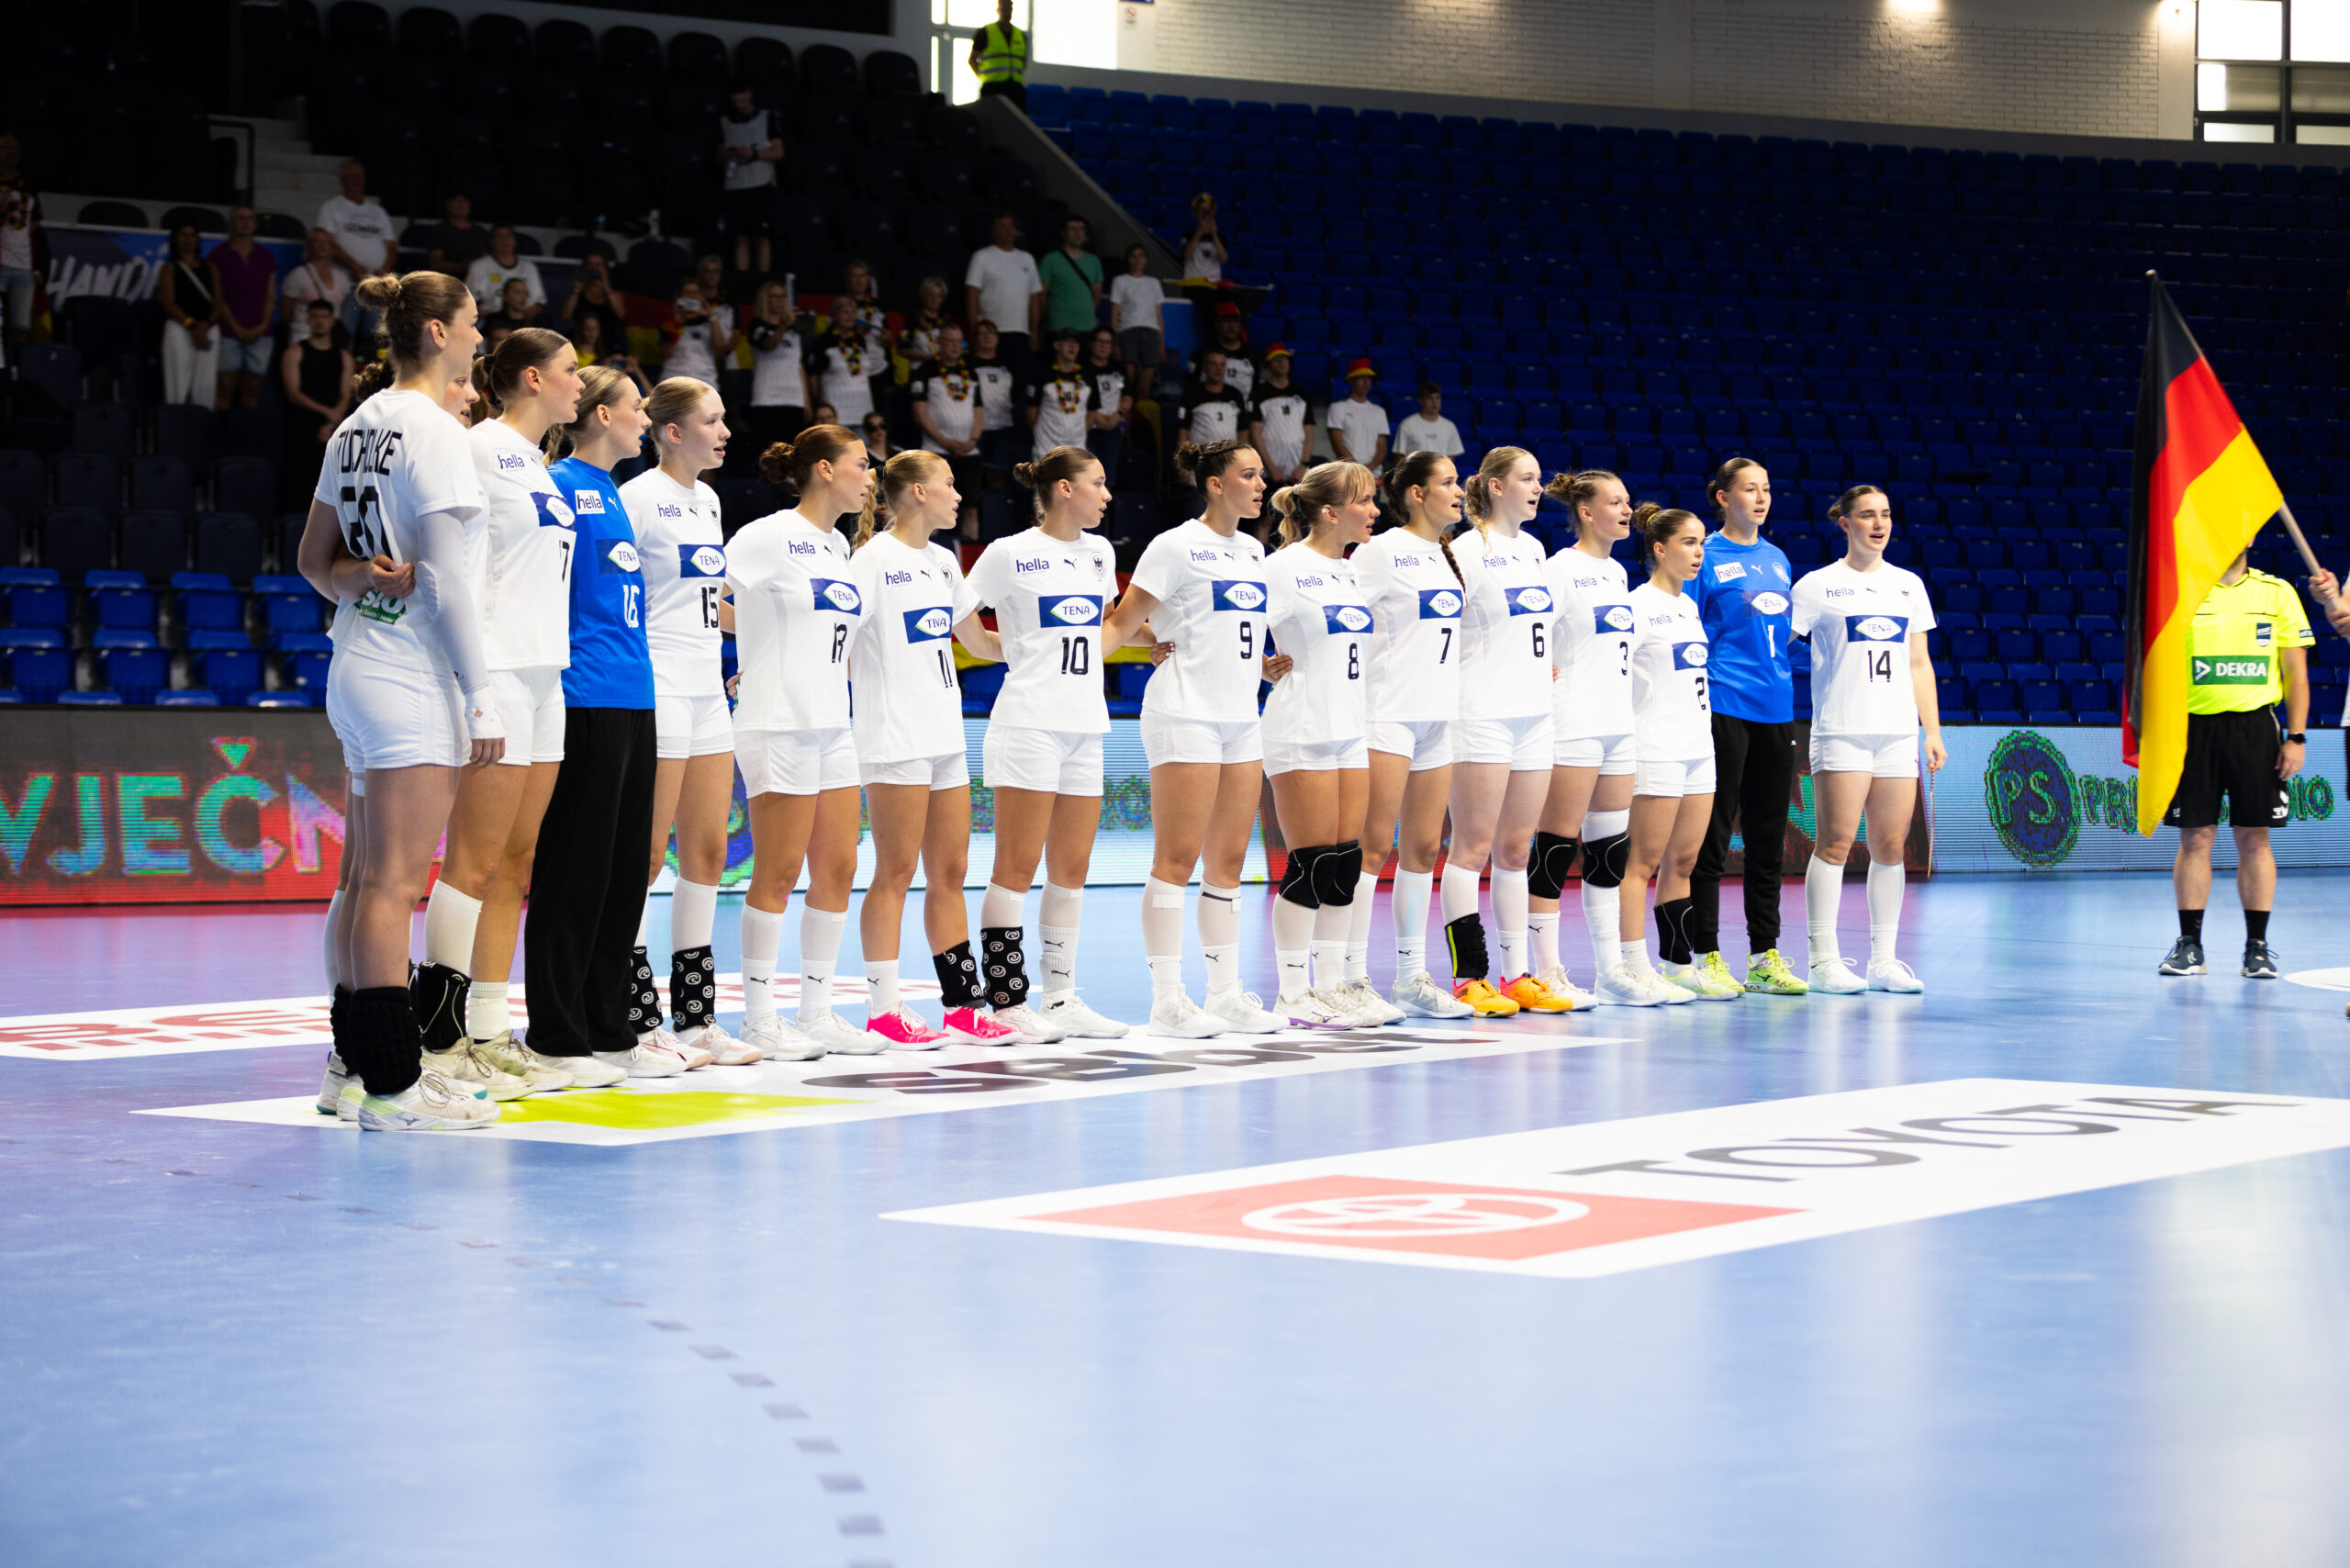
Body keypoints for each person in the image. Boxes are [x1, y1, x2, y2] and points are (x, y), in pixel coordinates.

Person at [295, 270, 499, 1130]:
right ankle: (393, 1087)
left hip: (355, 664)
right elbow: (447, 584)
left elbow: (316, 564)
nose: (481, 336)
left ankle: (350, 1072)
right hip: (411, 674)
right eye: (474, 322)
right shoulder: (436, 430)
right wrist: (483, 695)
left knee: (360, 882)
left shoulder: (355, 425)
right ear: (439, 333)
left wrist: (363, 578)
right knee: (389, 886)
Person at [407, 327, 610, 1094]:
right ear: (531, 378)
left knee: (517, 861)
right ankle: (439, 1036)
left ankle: (490, 1032)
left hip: (546, 674)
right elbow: (438, 548)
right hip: (494, 669)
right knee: (473, 860)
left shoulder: (538, 465)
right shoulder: (478, 446)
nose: (579, 384)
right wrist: (474, 684)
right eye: (569, 371)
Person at [1102, 438, 1286, 1038]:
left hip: (1242, 717)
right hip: (1184, 713)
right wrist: (1092, 657)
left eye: (1262, 475)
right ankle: (1167, 1002)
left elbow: (1230, 630)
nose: (1261, 485)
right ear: (1214, 483)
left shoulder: (1255, 551)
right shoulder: (1174, 546)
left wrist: (1261, 666)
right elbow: (1122, 621)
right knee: (1177, 860)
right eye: (1249, 475)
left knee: (1229, 861)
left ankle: (1225, 994)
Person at [729, 427, 892, 1059]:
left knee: (839, 866)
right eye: (861, 464)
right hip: (779, 721)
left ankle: (817, 1012)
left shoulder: (838, 546)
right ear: (824, 469)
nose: (870, 477)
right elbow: (707, 599)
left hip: (832, 723)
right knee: (778, 872)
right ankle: (759, 1018)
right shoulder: (767, 536)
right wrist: (754, 649)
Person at [845, 451, 1017, 1046]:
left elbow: (980, 643)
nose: (958, 494)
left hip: (946, 734)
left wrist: (1049, 641)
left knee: (950, 871)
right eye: (948, 483)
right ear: (918, 492)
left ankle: (963, 1006)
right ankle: (883, 1009)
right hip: (894, 734)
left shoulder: (944, 562)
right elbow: (837, 639)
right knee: (894, 872)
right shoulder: (871, 561)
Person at [962, 445, 1130, 1041]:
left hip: (1086, 725)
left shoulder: (1101, 553)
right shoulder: (1009, 553)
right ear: (1063, 489)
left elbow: (1102, 629)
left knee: (1072, 867)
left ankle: (1060, 997)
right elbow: (958, 612)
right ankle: (1006, 1002)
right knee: (1015, 866)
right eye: (1097, 483)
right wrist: (994, 649)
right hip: (1027, 724)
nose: (1107, 495)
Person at [533, 366, 665, 1081]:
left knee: (623, 872)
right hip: (584, 694)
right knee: (575, 869)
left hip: (635, 695)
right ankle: (557, 1035)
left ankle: (608, 1027)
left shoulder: (613, 490)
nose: (644, 418)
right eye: (635, 407)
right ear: (602, 414)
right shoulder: (558, 484)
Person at [621, 378, 755, 1064]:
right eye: (712, 420)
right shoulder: (635, 499)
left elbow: (711, 604)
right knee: (645, 858)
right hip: (659, 686)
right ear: (672, 432)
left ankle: (696, 1019)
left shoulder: (709, 500)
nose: (726, 431)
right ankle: (635, 1020)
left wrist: (766, 640)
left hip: (708, 691)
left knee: (706, 855)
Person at [1791, 485, 1944, 996]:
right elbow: (1776, 646)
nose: (1878, 525)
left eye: (1885, 515)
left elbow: (1918, 663)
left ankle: (1884, 961)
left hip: (1897, 732)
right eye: (1866, 516)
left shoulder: (1908, 585)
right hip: (1842, 730)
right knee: (1835, 844)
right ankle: (1822, 960)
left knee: (1891, 847)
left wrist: (1931, 730)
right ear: (1845, 523)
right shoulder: (1817, 586)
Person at [1260, 461, 1397, 1027]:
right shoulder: (1281, 568)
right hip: (1301, 728)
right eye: (1363, 501)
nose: (1374, 511)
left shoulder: (1350, 572)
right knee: (1311, 864)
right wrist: (1258, 666)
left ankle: (1333, 985)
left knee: (1345, 865)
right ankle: (1293, 994)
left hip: (1350, 730)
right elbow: (1224, 627)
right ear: (1329, 511)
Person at [1438, 447, 1570, 1016]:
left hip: (1535, 716)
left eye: (1539, 479)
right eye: (1526, 479)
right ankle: (1469, 976)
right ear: (1494, 487)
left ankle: (1517, 976)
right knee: (1470, 850)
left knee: (1516, 851)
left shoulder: (1536, 550)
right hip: (1480, 714)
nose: (1537, 488)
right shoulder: (1462, 551)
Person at [1353, 451, 1474, 1020]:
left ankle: (1410, 977)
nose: (1460, 490)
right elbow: (1340, 618)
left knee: (1424, 850)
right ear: (1416, 494)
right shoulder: (1380, 551)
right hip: (1387, 713)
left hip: (1437, 718)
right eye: (1448, 482)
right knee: (1372, 848)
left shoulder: (1448, 556)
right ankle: (1350, 976)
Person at [2155, 543, 2312, 980]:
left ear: (2249, 538)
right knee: (2194, 838)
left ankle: (2256, 948)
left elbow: (2296, 671)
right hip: (2193, 728)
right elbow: (2157, 665)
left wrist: (2296, 737)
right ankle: (2190, 947)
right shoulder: (2182, 591)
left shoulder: (2277, 593)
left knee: (2255, 839)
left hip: (2255, 729)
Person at [1684, 457, 1807, 995]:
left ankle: (1764, 958)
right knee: (1711, 839)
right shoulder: (1704, 556)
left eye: (1767, 489)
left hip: (1777, 709)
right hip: (1724, 705)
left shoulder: (1778, 559)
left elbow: (1782, 637)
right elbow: (1688, 632)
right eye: (1749, 489)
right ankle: (1705, 955)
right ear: (1722, 497)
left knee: (1766, 842)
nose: (1761, 498)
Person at [1527, 470, 1638, 1008]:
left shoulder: (1617, 571)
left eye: (1628, 501)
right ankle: (1546, 970)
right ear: (1587, 512)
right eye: (1615, 502)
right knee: (1555, 848)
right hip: (1573, 724)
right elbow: (1534, 642)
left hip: (1619, 725)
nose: (1627, 509)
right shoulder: (1558, 570)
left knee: (1609, 852)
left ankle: (1611, 971)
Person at [1606, 505, 1717, 1007]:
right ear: (1659, 549)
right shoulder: (1636, 606)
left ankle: (1678, 966)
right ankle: (1632, 966)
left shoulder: (1688, 605)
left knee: (1684, 861)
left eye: (1701, 543)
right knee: (1642, 863)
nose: (1698, 552)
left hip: (1698, 748)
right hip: (1656, 748)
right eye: (1689, 543)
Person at [910, 320, 984, 536]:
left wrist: (973, 441)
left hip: (969, 452)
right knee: (932, 507)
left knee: (971, 509)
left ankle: (971, 555)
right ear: (939, 343)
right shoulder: (925, 371)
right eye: (949, 341)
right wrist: (944, 441)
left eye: (958, 342)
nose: (954, 346)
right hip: (937, 451)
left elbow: (978, 412)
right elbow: (919, 413)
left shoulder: (971, 373)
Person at [281, 297, 353, 506]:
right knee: (300, 485)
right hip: (301, 426)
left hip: (333, 428)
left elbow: (346, 393)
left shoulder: (344, 356)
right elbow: (293, 393)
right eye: (315, 317)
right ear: (308, 320)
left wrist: (331, 423)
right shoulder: (295, 352)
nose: (320, 321)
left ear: (332, 320)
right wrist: (326, 412)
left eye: (324, 317)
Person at [207, 206, 276, 410]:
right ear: (231, 223)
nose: (245, 222)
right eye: (240, 218)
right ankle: (220, 428)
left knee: (252, 387)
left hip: (261, 331)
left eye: (249, 218)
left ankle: (246, 428)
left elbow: (270, 296)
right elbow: (218, 297)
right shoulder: (218, 254)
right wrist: (236, 328)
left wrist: (262, 325)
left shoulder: (265, 255)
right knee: (225, 384)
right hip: (228, 330)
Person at [718, 78, 783, 275]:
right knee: (740, 237)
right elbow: (719, 154)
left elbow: (779, 151)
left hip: (762, 182)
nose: (739, 105)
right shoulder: (724, 122)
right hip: (736, 183)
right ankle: (741, 277)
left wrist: (754, 154)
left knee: (763, 237)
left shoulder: (766, 117)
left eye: (742, 100)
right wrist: (732, 153)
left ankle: (763, 278)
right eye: (735, 101)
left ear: (749, 94)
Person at [156, 223, 222, 408]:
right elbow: (168, 303)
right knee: (178, 383)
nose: (188, 239)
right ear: (176, 240)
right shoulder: (169, 269)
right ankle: (175, 419)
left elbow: (218, 301)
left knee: (205, 385)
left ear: (197, 239)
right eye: (183, 235)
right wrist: (192, 326)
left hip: (208, 328)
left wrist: (207, 325)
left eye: (192, 235)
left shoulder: (211, 268)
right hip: (180, 328)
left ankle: (202, 420)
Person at [965, 213, 1042, 369]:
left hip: (1020, 332)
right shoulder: (982, 256)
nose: (1008, 230)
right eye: (1002, 226)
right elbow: (971, 294)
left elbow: (1034, 298)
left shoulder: (1027, 259)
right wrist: (975, 330)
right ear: (993, 231)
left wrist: (1033, 331)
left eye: (1011, 226)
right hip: (990, 333)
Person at [806, 291, 886, 431]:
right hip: (836, 410)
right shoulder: (823, 341)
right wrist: (820, 404)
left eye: (853, 312)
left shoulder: (860, 340)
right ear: (835, 315)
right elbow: (813, 378)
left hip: (864, 409)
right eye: (845, 312)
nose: (850, 316)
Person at [315, 160, 397, 292]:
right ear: (342, 180)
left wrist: (384, 270)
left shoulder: (378, 211)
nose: (357, 180)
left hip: (377, 286)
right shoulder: (331, 207)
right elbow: (328, 243)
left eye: (360, 176)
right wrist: (355, 267)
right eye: (352, 176)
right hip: (346, 283)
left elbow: (391, 247)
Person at [0, 132, 44, 360]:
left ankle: (15, 370)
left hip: (24, 266)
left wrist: (37, 266)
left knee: (20, 326)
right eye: (5, 147)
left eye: (15, 148)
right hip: (1, 262)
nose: (11, 152)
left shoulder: (27, 185)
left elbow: (35, 227)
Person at [1247, 343, 1314, 487]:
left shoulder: (1302, 394)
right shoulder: (1258, 394)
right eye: (1276, 359)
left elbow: (1309, 434)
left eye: (1284, 358)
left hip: (1299, 472)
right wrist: (1270, 467)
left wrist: (1303, 464)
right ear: (1268, 365)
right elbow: (1255, 435)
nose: (1281, 362)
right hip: (1269, 473)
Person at [969, 318, 1023, 490]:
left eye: (991, 333)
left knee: (997, 473)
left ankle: (996, 506)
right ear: (975, 338)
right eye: (982, 334)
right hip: (975, 428)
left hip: (1002, 427)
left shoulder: (1008, 365)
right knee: (974, 474)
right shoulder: (967, 365)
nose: (987, 337)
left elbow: (1015, 395)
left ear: (997, 338)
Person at [1025, 328, 1092, 460]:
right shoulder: (1042, 374)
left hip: (1077, 451)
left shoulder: (1087, 377)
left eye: (1076, 342)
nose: (1072, 346)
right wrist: (1046, 436)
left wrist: (1074, 435)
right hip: (1045, 450)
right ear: (1057, 345)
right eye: (1068, 341)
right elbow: (1031, 414)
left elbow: (1092, 414)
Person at [1107, 244, 1162, 397]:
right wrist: (1114, 342)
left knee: (1145, 387)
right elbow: (1114, 313)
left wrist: (1161, 345)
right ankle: (1124, 411)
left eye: (1141, 255)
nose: (1137, 259)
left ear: (1146, 259)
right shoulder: (1120, 281)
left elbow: (1158, 316)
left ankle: (1140, 412)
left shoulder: (1154, 283)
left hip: (1151, 335)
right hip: (1127, 333)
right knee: (1127, 383)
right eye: (1133, 256)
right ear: (1128, 259)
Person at [661, 276, 733, 389]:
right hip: (674, 380)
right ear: (679, 297)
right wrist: (677, 319)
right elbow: (668, 352)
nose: (692, 296)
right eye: (687, 292)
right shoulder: (670, 323)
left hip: (704, 381)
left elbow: (720, 347)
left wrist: (711, 316)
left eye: (696, 293)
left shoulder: (710, 322)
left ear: (701, 297)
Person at [1080, 326, 1131, 484]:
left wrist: (1119, 415)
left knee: (1107, 478)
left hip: (1114, 426)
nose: (1103, 346)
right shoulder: (1082, 369)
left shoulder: (1119, 368)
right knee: (1088, 478)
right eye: (1100, 341)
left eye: (1108, 342)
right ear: (1091, 344)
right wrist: (1096, 417)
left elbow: (1128, 395)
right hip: (1089, 427)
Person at [1037, 214, 1102, 337]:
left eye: (1081, 228)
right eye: (1072, 228)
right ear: (1063, 233)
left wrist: (1086, 312)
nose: (1078, 233)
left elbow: (1097, 292)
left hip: (1087, 324)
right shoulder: (1050, 260)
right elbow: (1041, 294)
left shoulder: (1094, 261)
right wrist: (1052, 313)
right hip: (1060, 324)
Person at [464, 225, 545, 319]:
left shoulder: (529, 267)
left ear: (514, 240)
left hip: (523, 320)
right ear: (492, 241)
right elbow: (468, 303)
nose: (505, 240)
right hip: (490, 320)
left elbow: (539, 303)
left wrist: (527, 314)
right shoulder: (479, 266)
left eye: (508, 236)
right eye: (500, 236)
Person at [279, 228, 352, 330]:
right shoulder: (297, 275)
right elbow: (286, 313)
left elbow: (340, 310)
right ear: (310, 245)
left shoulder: (341, 277)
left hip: (330, 334)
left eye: (327, 242)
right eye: (317, 241)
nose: (323, 245)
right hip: (303, 331)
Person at [1326, 359, 1389, 472]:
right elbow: (1337, 442)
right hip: (1346, 472)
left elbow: (1382, 447)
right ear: (1351, 381)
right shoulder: (1338, 407)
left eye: (1368, 378)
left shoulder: (1379, 411)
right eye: (1361, 377)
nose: (1366, 381)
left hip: (1373, 473)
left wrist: (1369, 468)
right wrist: (1357, 468)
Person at [1176, 349, 1248, 448]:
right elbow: (1183, 433)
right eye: (1213, 364)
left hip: (1230, 456)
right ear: (1204, 368)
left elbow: (1242, 432)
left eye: (1222, 365)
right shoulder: (1191, 394)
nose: (1218, 368)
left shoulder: (1235, 394)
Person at [1187, 301, 1257, 401]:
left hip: (1241, 408)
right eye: (1226, 321)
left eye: (1235, 321)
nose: (1231, 326)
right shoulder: (1203, 351)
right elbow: (1190, 384)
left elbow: (1255, 389)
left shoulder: (1251, 353)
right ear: (1217, 325)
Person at [558, 250, 626, 349]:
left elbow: (621, 314)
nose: (594, 268)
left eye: (598, 265)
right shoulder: (578, 293)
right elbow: (565, 315)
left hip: (608, 343)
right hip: (582, 343)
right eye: (590, 265)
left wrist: (606, 286)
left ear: (605, 269)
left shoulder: (613, 294)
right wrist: (577, 289)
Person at [969, 0, 1029, 108]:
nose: (1007, 12)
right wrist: (983, 76)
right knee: (991, 117)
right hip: (992, 88)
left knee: (1016, 118)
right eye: (1004, 9)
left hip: (1015, 89)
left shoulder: (1020, 35)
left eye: (1009, 9)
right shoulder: (986, 32)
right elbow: (972, 60)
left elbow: (1024, 61)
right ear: (998, 10)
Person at [420, 191, 489, 274]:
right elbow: (436, 264)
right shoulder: (438, 230)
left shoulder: (480, 232)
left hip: (477, 279)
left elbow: (488, 260)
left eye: (464, 201)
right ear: (447, 204)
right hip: (448, 280)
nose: (461, 205)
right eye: (456, 200)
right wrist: (467, 265)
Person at [899, 274, 956, 369]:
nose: (934, 298)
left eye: (939, 295)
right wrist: (925, 357)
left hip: (943, 368)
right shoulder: (913, 318)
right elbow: (902, 349)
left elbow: (961, 344)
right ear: (924, 295)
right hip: (920, 368)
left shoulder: (946, 318)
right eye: (931, 294)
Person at [1393, 383, 1463, 459]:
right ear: (1420, 400)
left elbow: (1451, 458)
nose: (1434, 402)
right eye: (1429, 398)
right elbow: (1399, 456)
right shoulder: (1407, 424)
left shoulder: (1449, 426)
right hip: (1415, 467)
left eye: (1437, 398)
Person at [1180, 192, 1226, 284]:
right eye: (1201, 210)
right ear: (1195, 213)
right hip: (1192, 283)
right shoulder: (1187, 235)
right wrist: (1199, 233)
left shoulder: (1221, 237)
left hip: (1213, 284)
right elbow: (1186, 256)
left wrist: (1214, 236)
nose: (1205, 214)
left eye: (1208, 210)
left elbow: (1223, 259)